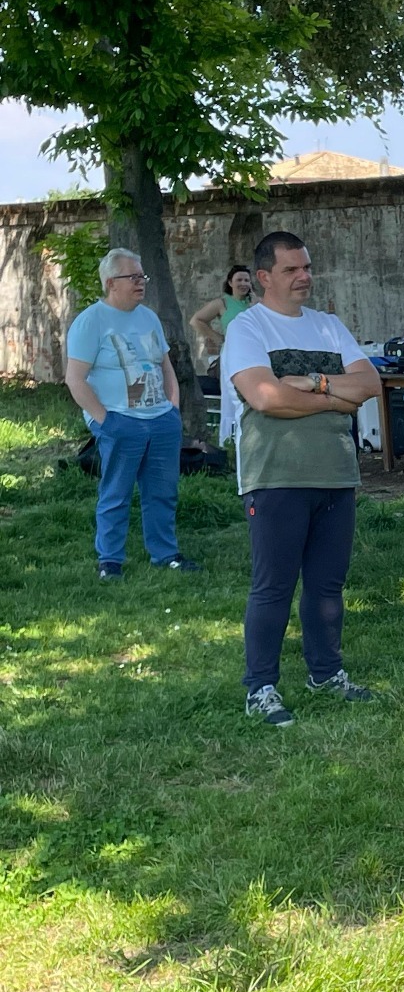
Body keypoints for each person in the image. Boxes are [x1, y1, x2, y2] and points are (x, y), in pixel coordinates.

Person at [221, 231, 381, 727]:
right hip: (275, 477)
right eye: (291, 269)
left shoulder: (329, 326)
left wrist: (313, 383)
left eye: (307, 267)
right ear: (264, 277)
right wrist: (337, 400)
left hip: (336, 474)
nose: (304, 276)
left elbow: (371, 384)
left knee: (327, 585)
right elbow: (265, 397)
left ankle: (326, 673)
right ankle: (260, 687)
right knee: (273, 586)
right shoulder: (247, 329)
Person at [63, 247, 198, 580]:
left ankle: (166, 554)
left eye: (143, 276)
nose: (141, 282)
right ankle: (110, 561)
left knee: (163, 492)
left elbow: (165, 366)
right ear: (111, 282)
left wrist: (172, 408)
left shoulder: (148, 317)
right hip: (119, 422)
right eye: (133, 277)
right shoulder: (91, 321)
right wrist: (106, 421)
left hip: (160, 420)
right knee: (116, 493)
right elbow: (75, 379)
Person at [189, 265, 254, 374]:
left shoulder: (258, 303)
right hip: (233, 354)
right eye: (239, 280)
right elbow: (195, 320)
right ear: (230, 283)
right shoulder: (222, 303)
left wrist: (257, 306)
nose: (243, 283)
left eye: (246, 280)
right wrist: (218, 338)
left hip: (256, 352)